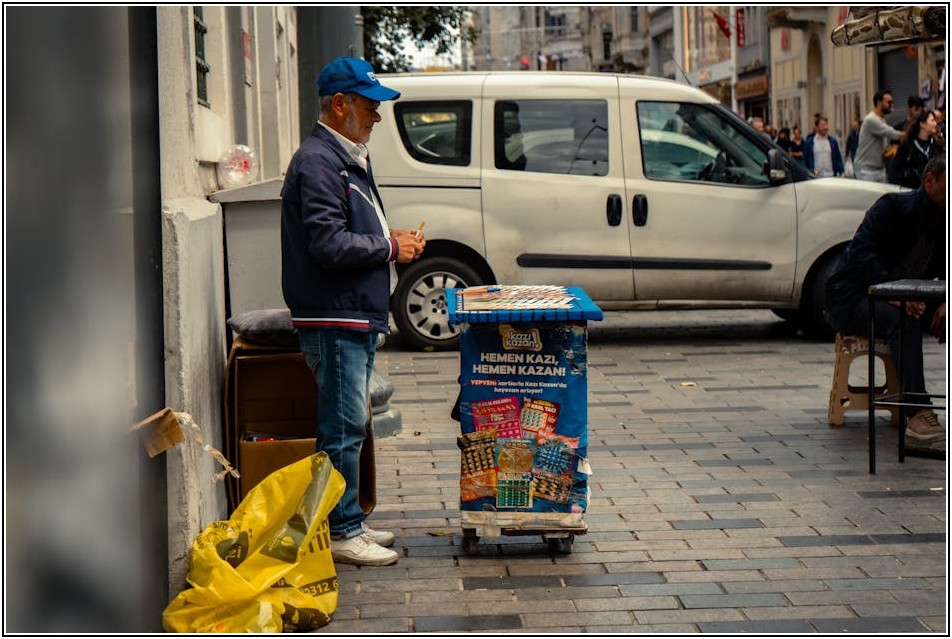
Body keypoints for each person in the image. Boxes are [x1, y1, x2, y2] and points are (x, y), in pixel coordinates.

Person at [280, 56, 426, 566]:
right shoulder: (319, 161)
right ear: (339, 105)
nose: (376, 118)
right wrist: (389, 247)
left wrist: (391, 240)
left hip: (350, 314)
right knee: (341, 429)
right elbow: (327, 243)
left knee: (349, 426)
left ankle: (348, 521)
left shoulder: (345, 157)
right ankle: (341, 531)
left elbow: (349, 234)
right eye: (369, 107)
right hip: (334, 316)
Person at [825, 156, 946, 442]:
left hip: (911, 298)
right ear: (930, 181)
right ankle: (917, 412)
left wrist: (944, 303)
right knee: (903, 318)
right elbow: (862, 258)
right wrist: (893, 294)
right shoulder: (892, 208)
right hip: (854, 298)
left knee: (917, 312)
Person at [855, 90, 905, 183]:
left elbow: (885, 143)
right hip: (866, 170)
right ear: (879, 102)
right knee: (869, 197)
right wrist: (908, 134)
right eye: (889, 102)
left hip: (879, 169)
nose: (892, 105)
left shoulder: (882, 121)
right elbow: (890, 133)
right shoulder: (871, 119)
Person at [889, 110, 943, 189]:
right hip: (909, 191)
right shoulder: (907, 144)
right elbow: (895, 171)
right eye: (932, 120)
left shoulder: (936, 144)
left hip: (930, 191)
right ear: (922, 124)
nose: (935, 124)